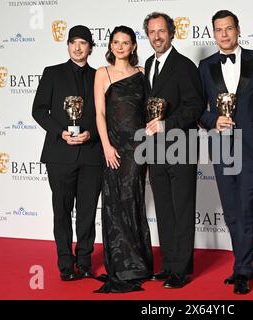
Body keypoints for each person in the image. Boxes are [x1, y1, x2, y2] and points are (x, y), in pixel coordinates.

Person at [198, 10, 253, 294]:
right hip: (220, 145)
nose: (224, 34)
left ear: (238, 30)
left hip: (251, 145)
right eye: (219, 30)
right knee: (230, 211)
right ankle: (242, 264)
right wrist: (211, 120)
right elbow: (197, 108)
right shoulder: (205, 66)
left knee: (245, 206)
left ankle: (243, 270)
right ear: (213, 34)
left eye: (229, 28)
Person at [32, 25, 102, 281]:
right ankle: (65, 262)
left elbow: (106, 116)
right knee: (61, 210)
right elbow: (39, 110)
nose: (78, 47)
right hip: (60, 154)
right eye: (73, 42)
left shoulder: (100, 76)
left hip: (91, 154)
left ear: (90, 47)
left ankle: (84, 261)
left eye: (83, 43)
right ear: (68, 46)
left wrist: (91, 134)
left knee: (87, 211)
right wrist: (61, 132)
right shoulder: (52, 73)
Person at [143, 12, 204, 289]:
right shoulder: (148, 64)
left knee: (182, 210)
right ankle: (168, 264)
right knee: (165, 210)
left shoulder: (185, 66)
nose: (157, 37)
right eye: (152, 32)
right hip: (155, 151)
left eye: (161, 31)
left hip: (181, 147)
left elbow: (194, 107)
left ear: (172, 33)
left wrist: (167, 125)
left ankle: (181, 269)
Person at [93, 25, 153, 293]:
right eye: (116, 42)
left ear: (133, 47)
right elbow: (100, 114)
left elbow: (149, 110)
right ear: (110, 45)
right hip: (115, 147)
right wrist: (106, 145)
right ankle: (122, 265)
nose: (120, 46)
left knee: (134, 198)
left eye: (125, 42)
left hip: (139, 147)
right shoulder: (102, 73)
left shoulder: (142, 74)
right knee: (116, 201)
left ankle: (138, 263)